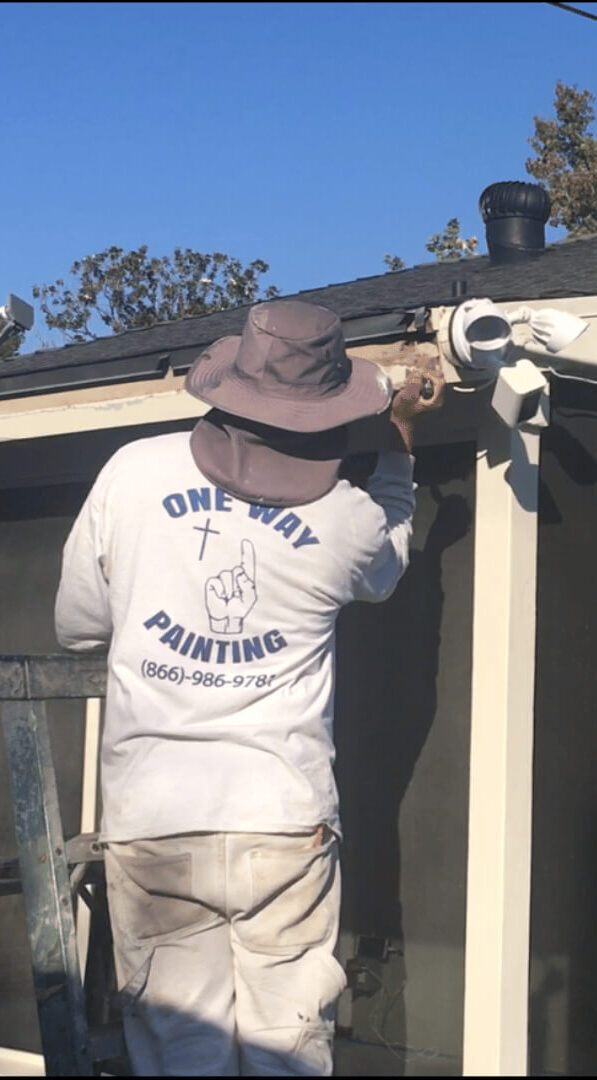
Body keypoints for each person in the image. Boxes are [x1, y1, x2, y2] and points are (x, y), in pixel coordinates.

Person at [54, 298, 443, 1077]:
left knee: (179, 1055)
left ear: (230, 383)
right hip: (281, 820)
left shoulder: (132, 472)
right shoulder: (346, 517)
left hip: (155, 819)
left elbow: (76, 627)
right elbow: (392, 553)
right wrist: (400, 436)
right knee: (288, 1049)